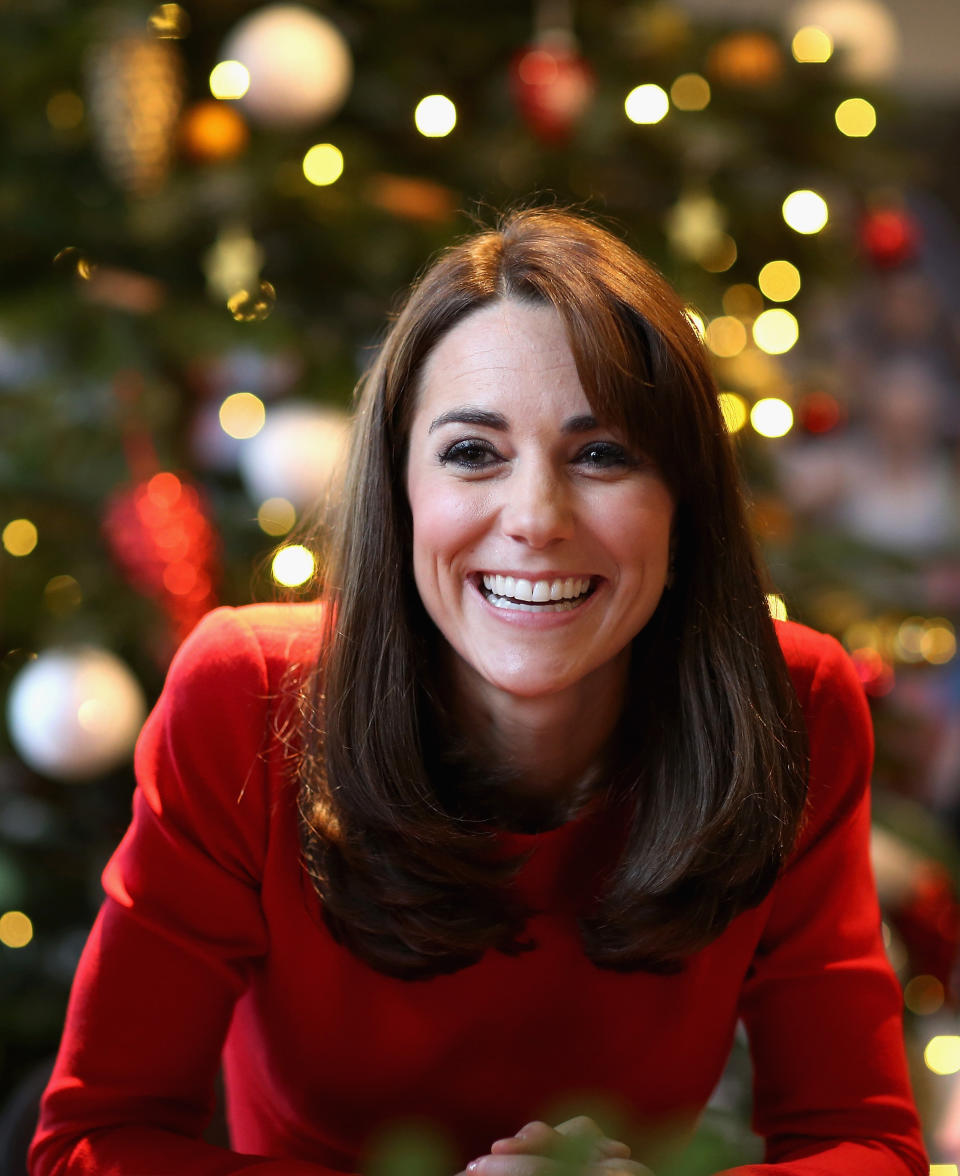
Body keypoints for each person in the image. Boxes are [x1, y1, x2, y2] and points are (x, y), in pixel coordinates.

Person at [29, 208, 928, 1176]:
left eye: (602, 453)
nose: (535, 517)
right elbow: (90, 1142)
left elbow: (867, 1143)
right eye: (472, 452)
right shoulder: (244, 695)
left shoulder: (789, 703)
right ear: (401, 488)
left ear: (684, 500)